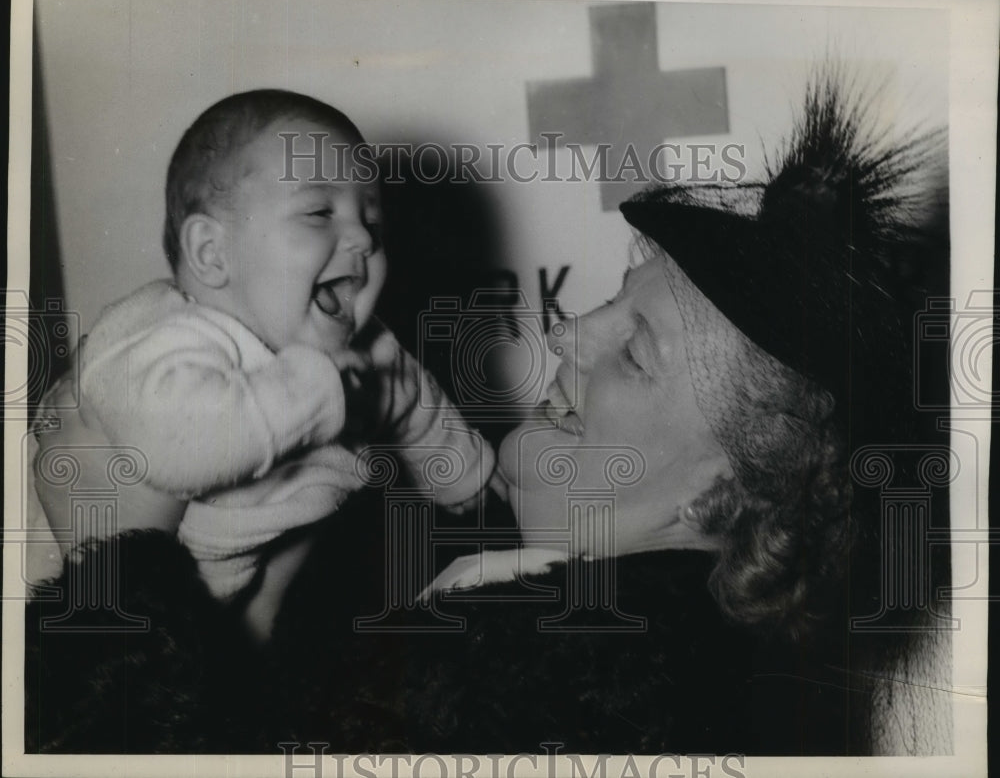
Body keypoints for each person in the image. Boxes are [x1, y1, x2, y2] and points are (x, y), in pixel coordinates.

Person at [26, 73, 949, 754]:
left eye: (634, 350)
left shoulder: (604, 706)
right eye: (609, 299)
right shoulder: (498, 597)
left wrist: (113, 574)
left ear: (719, 489)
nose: (569, 329)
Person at [31, 89, 495, 640]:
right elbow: (173, 447)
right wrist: (317, 394)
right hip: (56, 599)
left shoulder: (364, 350)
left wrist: (462, 474)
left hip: (226, 596)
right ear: (212, 252)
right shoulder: (162, 335)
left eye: (372, 217)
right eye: (320, 211)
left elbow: (414, 401)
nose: (363, 237)